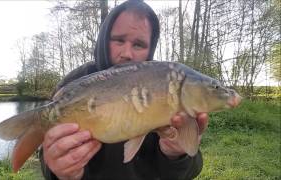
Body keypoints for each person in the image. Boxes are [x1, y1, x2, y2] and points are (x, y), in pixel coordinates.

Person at [40, 0, 208, 179]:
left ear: (150, 49)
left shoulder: (167, 86)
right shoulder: (74, 83)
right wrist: (59, 171)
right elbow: (47, 156)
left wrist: (176, 155)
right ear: (104, 39)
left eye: (139, 45)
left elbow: (188, 171)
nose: (127, 53)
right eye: (119, 40)